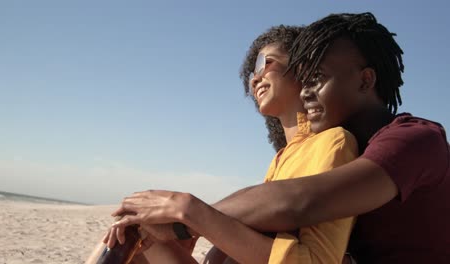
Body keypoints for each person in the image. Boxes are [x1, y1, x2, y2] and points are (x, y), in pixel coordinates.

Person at [88, 25, 359, 263]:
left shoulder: (332, 142)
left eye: (265, 62)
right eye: (252, 71)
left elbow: (317, 260)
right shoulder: (282, 159)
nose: (255, 77)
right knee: (129, 231)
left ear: (302, 67)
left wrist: (189, 214)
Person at [209, 12, 449, 263]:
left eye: (317, 79)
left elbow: (300, 203)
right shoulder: (339, 147)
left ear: (365, 80)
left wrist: (190, 213)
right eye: (303, 83)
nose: (306, 94)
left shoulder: (414, 139)